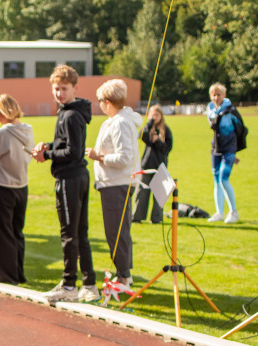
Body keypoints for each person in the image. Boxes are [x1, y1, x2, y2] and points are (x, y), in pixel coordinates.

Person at [33, 64, 97, 303]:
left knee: (69, 233)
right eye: (56, 89)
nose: (59, 93)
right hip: (76, 176)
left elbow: (74, 151)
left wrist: (46, 156)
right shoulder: (69, 112)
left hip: (70, 178)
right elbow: (66, 144)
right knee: (80, 232)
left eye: (64, 88)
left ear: (75, 88)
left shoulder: (70, 115)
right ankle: (89, 283)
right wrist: (49, 146)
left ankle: (69, 284)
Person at [86, 78, 142, 287]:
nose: (99, 104)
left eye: (100, 100)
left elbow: (124, 158)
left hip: (117, 184)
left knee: (117, 232)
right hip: (112, 183)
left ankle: (124, 276)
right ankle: (122, 273)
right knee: (115, 231)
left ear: (108, 101)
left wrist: (98, 156)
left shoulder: (120, 123)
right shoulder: (117, 121)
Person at [0, 94, 34, 285]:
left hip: (1, 186)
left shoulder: (2, 133)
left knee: (0, 233)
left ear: (4, 112)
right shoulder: (28, 131)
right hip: (21, 186)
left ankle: (5, 275)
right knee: (16, 232)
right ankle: (18, 272)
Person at [132, 104, 173, 224]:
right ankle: (137, 216)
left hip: (160, 165)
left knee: (158, 194)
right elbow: (141, 136)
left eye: (157, 114)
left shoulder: (166, 130)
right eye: (152, 114)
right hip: (147, 164)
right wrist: (150, 123)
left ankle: (156, 218)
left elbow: (167, 148)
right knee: (142, 193)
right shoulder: (148, 128)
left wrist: (158, 141)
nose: (155, 117)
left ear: (161, 116)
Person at [206, 83, 240, 223]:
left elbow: (240, 130)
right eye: (213, 95)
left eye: (218, 94)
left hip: (229, 149)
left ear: (224, 95)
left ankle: (233, 212)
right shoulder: (210, 110)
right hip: (216, 149)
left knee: (223, 178)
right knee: (216, 181)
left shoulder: (231, 110)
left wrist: (235, 151)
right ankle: (220, 212)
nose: (216, 97)